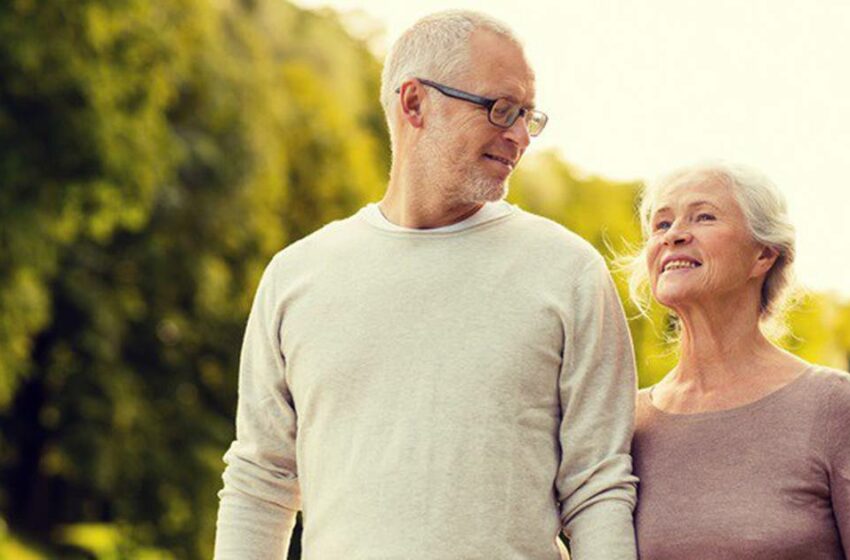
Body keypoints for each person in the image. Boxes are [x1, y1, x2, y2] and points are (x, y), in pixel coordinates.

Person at [214, 10, 638, 560]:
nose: (518, 137)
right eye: (500, 109)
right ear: (415, 102)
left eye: (528, 116)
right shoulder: (296, 276)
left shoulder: (568, 271)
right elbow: (261, 480)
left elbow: (597, 487)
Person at [627, 162, 850, 559]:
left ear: (763, 254)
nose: (674, 235)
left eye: (704, 216)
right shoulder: (627, 422)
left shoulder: (833, 405)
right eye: (661, 225)